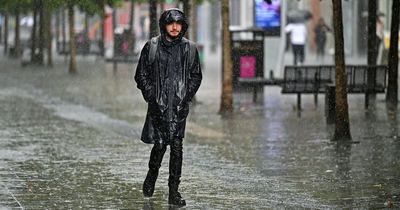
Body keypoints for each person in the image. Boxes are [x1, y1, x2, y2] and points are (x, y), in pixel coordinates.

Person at [134, 8, 202, 207]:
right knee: (160, 144)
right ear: (164, 25)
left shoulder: (189, 49)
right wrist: (152, 97)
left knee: (177, 148)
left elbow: (196, 76)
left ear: (183, 26)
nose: (174, 27)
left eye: (178, 23)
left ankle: (174, 192)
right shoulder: (152, 46)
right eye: (171, 23)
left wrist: (185, 96)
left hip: (179, 109)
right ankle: (151, 175)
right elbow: (141, 75)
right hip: (158, 108)